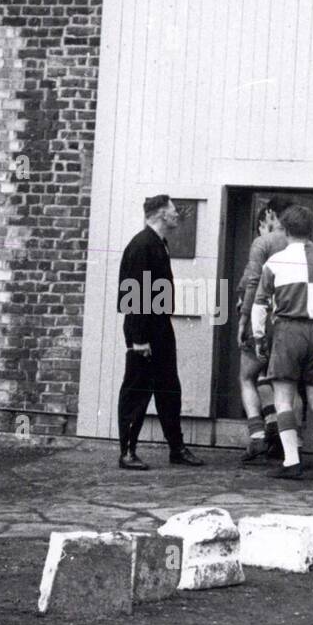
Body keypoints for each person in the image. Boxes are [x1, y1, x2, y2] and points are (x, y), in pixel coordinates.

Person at [115, 195, 203, 470]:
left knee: (168, 388)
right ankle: (127, 452)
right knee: (136, 390)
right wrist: (139, 339)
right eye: (174, 212)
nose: (178, 216)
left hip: (160, 326)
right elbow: (134, 294)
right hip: (144, 330)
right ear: (162, 214)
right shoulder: (142, 245)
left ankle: (176, 448)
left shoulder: (158, 244)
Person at [252, 205, 313, 480]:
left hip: (288, 330)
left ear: (286, 230)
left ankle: (292, 461)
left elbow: (259, 305)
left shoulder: (274, 262)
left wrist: (258, 336)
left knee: (284, 398)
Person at [237, 198, 289, 462]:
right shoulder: (300, 246)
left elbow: (253, 283)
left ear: (270, 216)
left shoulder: (262, 244)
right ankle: (276, 429)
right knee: (272, 379)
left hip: (261, 317)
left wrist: (244, 318)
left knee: (247, 376)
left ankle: (257, 435)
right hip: (288, 322)